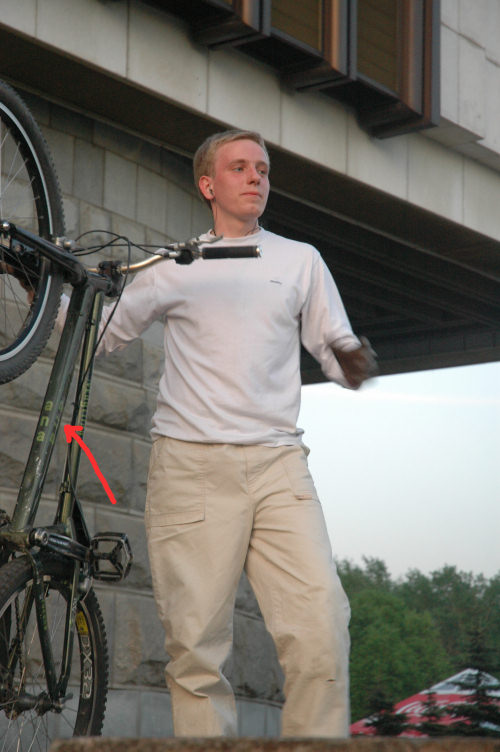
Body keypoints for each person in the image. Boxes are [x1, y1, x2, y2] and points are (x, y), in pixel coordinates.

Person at [89, 130, 377, 737]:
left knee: (321, 625)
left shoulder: (300, 260)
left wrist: (351, 361)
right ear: (208, 185)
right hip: (190, 466)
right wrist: (40, 296)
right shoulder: (175, 264)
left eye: (263, 169)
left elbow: (334, 342)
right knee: (195, 649)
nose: (255, 178)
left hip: (278, 465)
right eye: (240, 168)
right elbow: (99, 333)